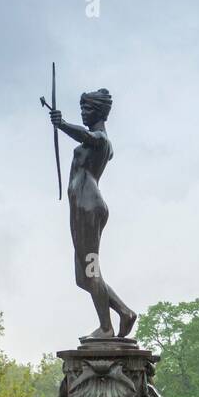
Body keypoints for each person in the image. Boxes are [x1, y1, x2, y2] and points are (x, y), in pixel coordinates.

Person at [50, 89, 137, 339]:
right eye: (82, 110)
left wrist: (63, 124)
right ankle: (124, 311)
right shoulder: (95, 140)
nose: (84, 113)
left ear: (99, 111)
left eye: (87, 110)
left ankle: (106, 328)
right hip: (81, 206)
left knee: (91, 269)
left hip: (87, 205)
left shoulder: (101, 139)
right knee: (83, 276)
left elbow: (88, 136)